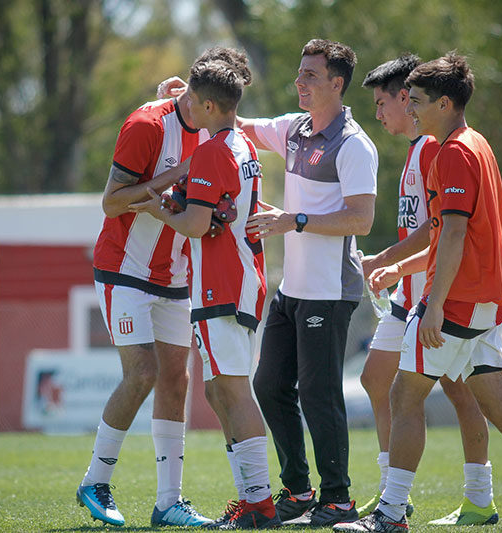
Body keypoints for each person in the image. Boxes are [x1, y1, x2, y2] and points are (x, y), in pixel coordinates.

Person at [334, 53, 502, 533]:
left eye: (418, 101)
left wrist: (432, 306)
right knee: (499, 404)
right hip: (486, 302)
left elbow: (451, 235)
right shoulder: (475, 143)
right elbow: (446, 233)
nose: (410, 108)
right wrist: (397, 266)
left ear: (445, 104)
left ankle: (390, 514)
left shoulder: (452, 153)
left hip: (457, 301)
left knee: (404, 396)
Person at [77, 47, 251, 528]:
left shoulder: (217, 125)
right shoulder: (147, 125)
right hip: (125, 270)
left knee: (177, 380)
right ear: (196, 94)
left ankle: (169, 502)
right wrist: (176, 175)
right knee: (142, 373)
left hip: (175, 277)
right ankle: (95, 480)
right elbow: (111, 203)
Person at [130, 57, 280, 530]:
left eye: (192, 100)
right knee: (218, 390)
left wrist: (158, 208)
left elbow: (196, 225)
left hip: (224, 282)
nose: (186, 106)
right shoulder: (241, 145)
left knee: (232, 390)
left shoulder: (214, 151)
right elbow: (219, 210)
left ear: (209, 105)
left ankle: (260, 504)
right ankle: (250, 499)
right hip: (236, 278)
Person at [239, 39, 378, 527]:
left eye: (311, 75)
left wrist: (293, 220)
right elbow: (239, 125)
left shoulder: (354, 144)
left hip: (329, 292)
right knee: (269, 384)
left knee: (320, 395)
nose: (299, 81)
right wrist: (189, 98)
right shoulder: (295, 129)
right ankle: (299, 491)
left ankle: (338, 498)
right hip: (292, 292)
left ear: (337, 84)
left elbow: (360, 220)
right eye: (300, 73)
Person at [355, 54, 499, 526]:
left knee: (455, 393)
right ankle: (393, 492)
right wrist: (393, 267)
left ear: (408, 99)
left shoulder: (437, 148)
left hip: (433, 295)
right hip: (415, 292)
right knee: (379, 380)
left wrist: (390, 263)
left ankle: (464, 498)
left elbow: (440, 232)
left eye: (385, 103)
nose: (381, 113)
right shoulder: (422, 148)